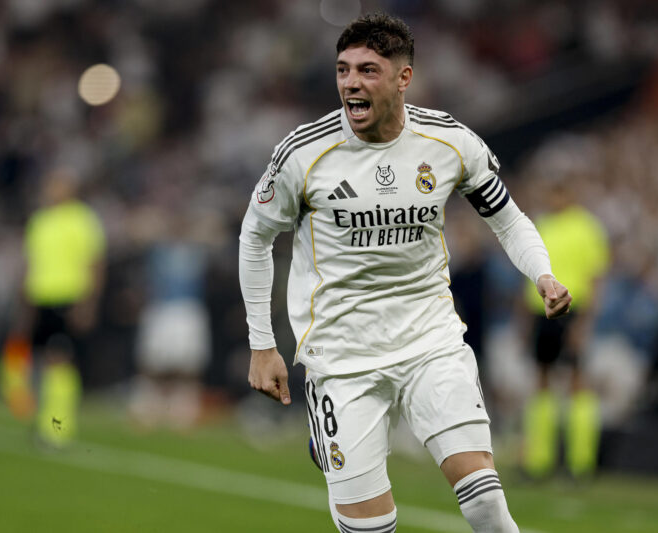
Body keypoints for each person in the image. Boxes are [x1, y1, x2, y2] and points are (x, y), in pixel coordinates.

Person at [238, 13, 571, 533]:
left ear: (403, 78)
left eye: (368, 70)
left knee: (484, 499)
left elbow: (507, 218)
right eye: (343, 70)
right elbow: (255, 237)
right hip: (340, 355)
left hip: (429, 340)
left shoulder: (449, 143)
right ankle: (332, 438)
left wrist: (543, 274)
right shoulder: (304, 153)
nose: (351, 82)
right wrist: (262, 343)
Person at [521, 176, 609, 480]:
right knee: (542, 381)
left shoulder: (586, 228)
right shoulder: (542, 225)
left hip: (573, 308)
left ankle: (580, 464)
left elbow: (596, 278)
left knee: (576, 382)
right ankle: (539, 461)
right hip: (540, 312)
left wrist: (584, 324)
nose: (554, 199)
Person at [13, 167, 106, 448]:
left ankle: (58, 427)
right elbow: (30, 265)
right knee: (43, 362)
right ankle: (48, 422)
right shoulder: (40, 221)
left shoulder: (83, 220)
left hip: (68, 297)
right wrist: (25, 305)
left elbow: (95, 263)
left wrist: (88, 303)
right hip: (40, 298)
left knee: (60, 360)